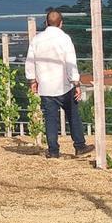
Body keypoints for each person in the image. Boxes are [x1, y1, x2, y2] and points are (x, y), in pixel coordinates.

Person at [24, 10, 95, 159]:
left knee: (50, 120)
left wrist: (32, 81)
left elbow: (30, 62)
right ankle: (79, 145)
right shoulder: (65, 39)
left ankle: (53, 151)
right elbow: (71, 63)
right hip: (64, 86)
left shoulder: (37, 39)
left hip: (45, 87)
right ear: (61, 23)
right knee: (73, 116)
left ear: (46, 22)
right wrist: (76, 83)